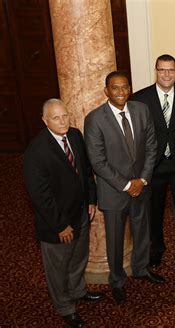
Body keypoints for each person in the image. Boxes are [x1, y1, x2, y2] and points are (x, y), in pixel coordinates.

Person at [84, 71, 163, 305]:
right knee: (116, 239)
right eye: (115, 88)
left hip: (141, 186)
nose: (121, 92)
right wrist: (127, 184)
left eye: (125, 87)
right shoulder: (95, 119)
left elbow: (152, 146)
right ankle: (117, 280)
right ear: (106, 91)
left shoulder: (141, 110)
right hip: (113, 191)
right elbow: (97, 161)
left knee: (142, 231)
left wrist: (143, 180)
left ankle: (140, 268)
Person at [24, 99, 104, 327]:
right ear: (45, 120)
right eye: (56, 118)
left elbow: (86, 172)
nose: (62, 121)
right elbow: (41, 197)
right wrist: (60, 225)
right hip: (57, 224)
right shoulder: (36, 152)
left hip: (80, 212)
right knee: (58, 268)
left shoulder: (76, 136)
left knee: (78, 257)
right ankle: (64, 307)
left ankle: (78, 291)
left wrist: (90, 200)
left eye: (65, 116)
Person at [131, 55, 175, 267]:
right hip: (154, 166)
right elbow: (138, 137)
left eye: (171, 70)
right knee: (154, 210)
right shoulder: (141, 98)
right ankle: (157, 247)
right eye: (162, 70)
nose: (167, 74)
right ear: (156, 71)